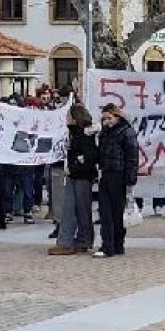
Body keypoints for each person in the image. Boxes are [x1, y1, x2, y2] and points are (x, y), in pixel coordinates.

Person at [49, 104, 98, 256]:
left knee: (80, 209)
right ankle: (72, 240)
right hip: (75, 175)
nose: (66, 119)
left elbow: (89, 157)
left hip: (82, 176)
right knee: (71, 208)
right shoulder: (75, 134)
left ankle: (77, 240)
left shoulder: (85, 135)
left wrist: (74, 166)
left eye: (69, 116)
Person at [96, 103, 139, 258]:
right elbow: (99, 153)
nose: (107, 121)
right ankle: (108, 245)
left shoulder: (126, 132)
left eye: (109, 118)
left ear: (117, 116)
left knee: (116, 212)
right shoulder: (105, 132)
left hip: (119, 175)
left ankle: (116, 244)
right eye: (105, 118)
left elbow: (132, 157)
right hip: (107, 173)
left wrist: (130, 180)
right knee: (105, 211)